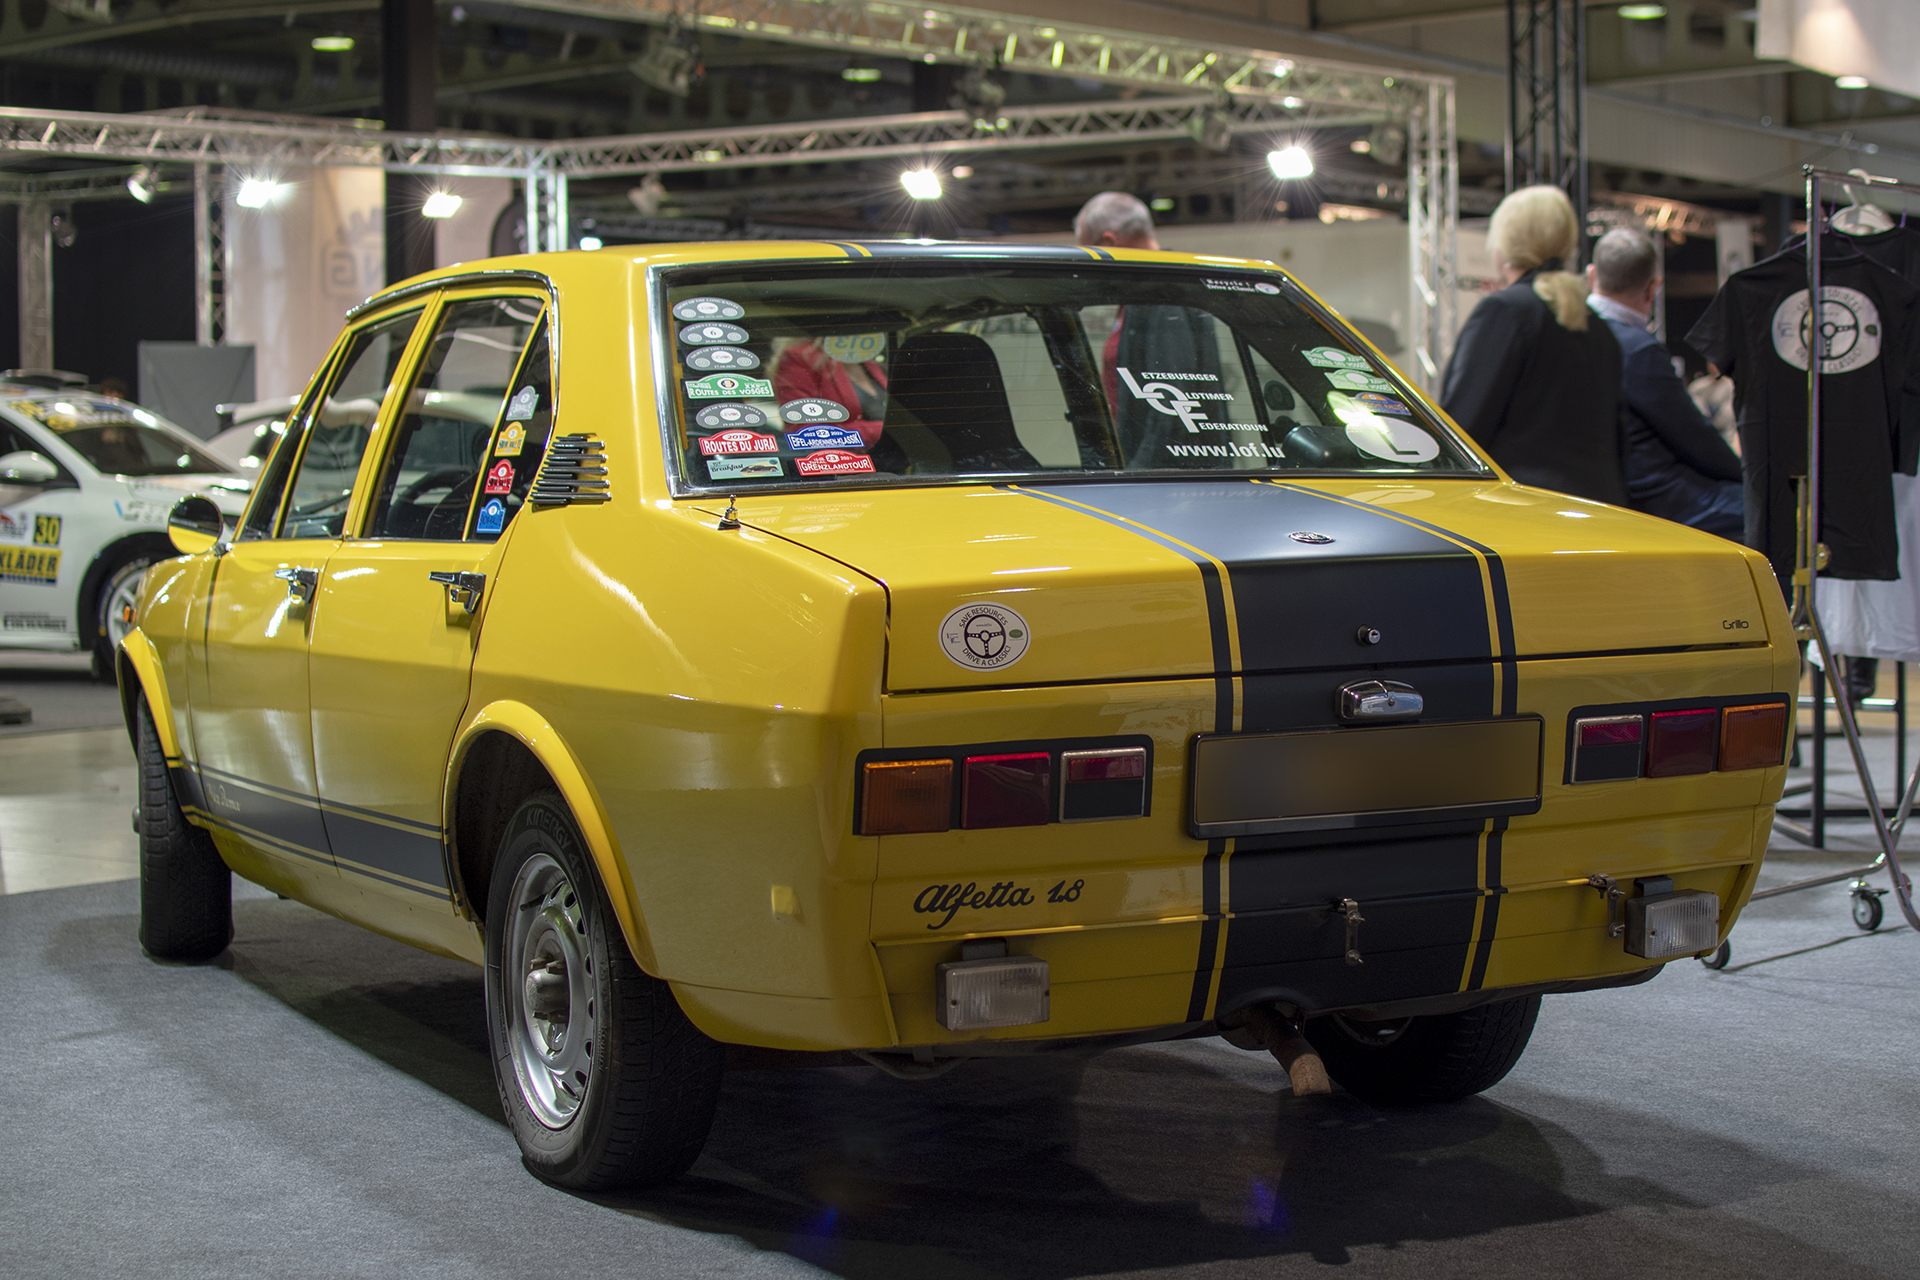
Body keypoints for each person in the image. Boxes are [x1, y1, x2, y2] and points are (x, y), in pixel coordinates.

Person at [1442, 185, 1626, 504]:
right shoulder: (1597, 326)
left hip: (1521, 509)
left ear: (1504, 245)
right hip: (1598, 508)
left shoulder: (1505, 311)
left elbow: (1462, 429)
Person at [1584, 227, 1744, 539]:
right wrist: (1744, 476)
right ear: (1652, 288)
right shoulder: (1638, 348)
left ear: (1592, 276)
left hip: (1602, 491)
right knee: (1765, 515)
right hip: (1657, 497)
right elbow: (1694, 438)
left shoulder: (1567, 336)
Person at [1074, 191, 1223, 467]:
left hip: (1165, 477)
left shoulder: (1161, 294)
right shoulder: (1149, 291)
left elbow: (1171, 402)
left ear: (1108, 243)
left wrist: (1138, 471)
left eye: (1090, 254)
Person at [772, 337, 888, 446]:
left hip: (889, 455)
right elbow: (805, 432)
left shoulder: (868, 358)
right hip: (841, 458)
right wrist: (883, 430)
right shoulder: (801, 357)